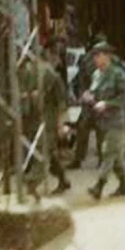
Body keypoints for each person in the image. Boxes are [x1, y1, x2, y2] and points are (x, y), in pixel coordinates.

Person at [20, 50, 71, 200]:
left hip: (47, 120)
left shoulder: (49, 76)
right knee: (48, 152)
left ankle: (32, 183)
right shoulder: (38, 74)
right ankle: (63, 179)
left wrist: (61, 125)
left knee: (43, 152)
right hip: (39, 120)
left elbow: (61, 103)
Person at [87, 42, 125, 200]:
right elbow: (94, 92)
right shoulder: (96, 75)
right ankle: (124, 185)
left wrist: (108, 104)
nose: (95, 59)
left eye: (98, 55)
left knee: (108, 152)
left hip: (115, 120)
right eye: (94, 55)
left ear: (107, 56)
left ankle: (99, 185)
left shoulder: (118, 74)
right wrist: (90, 98)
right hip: (102, 121)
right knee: (115, 155)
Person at [69, 35, 106, 169]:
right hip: (99, 98)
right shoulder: (107, 58)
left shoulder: (86, 58)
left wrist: (81, 95)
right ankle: (102, 159)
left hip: (88, 98)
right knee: (100, 130)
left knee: (83, 130)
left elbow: (79, 80)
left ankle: (78, 159)